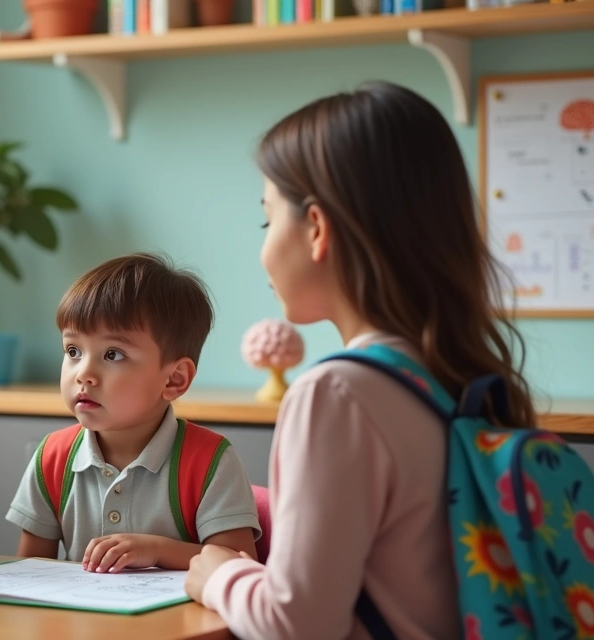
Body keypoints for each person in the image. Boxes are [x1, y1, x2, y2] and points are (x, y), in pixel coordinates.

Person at [185, 81, 537, 639]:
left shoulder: (337, 394)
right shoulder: (467, 376)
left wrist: (220, 575)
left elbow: (297, 623)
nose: (264, 245)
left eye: (267, 219)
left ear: (318, 229)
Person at [6, 253, 260, 573]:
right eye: (73, 351)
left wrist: (156, 550)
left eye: (113, 354)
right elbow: (28, 573)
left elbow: (239, 564)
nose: (84, 373)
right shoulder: (51, 458)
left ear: (174, 378)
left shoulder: (210, 460)